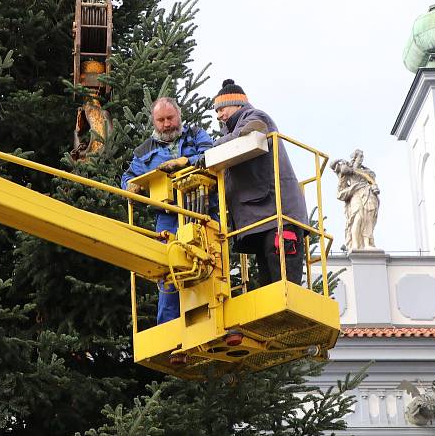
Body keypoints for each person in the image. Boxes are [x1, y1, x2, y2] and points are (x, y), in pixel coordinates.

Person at [121, 97, 215, 323]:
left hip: (204, 210)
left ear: (179, 116)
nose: (166, 124)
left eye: (170, 118)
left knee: (212, 262)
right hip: (168, 217)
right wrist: (130, 186)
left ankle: (215, 317)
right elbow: (128, 177)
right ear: (154, 122)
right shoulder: (144, 152)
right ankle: (169, 328)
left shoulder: (195, 135)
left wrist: (185, 161)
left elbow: (210, 155)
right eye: (160, 120)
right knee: (169, 270)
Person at [212, 79, 307, 287]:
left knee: (283, 285)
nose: (219, 115)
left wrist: (209, 152)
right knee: (269, 287)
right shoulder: (231, 133)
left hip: (278, 215)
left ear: (237, 104)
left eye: (222, 108)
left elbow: (246, 135)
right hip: (262, 218)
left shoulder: (255, 118)